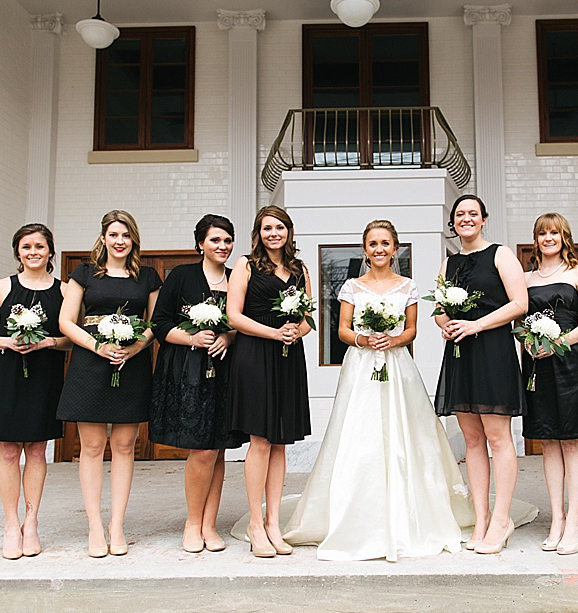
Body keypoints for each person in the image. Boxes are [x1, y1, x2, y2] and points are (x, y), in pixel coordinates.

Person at [283, 220, 473, 561]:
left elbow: (412, 329)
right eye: (373, 244)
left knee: (406, 435)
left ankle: (411, 512)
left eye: (385, 243)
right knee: (360, 434)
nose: (379, 249)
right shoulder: (352, 287)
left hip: (398, 367)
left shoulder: (408, 286)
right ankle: (354, 516)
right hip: (360, 367)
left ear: (395, 248)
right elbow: (341, 330)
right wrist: (364, 339)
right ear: (365, 249)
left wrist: (393, 338)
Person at [57, 210, 161, 558]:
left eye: (126, 235)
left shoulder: (147, 277)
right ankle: (94, 526)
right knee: (90, 447)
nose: (120, 241)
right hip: (90, 363)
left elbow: (154, 323)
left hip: (131, 365)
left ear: (133, 240)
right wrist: (98, 346)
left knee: (124, 445)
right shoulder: (84, 273)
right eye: (114, 234)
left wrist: (133, 348)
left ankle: (117, 524)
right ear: (103, 238)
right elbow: (66, 321)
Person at [434, 194, 528, 554]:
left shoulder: (501, 254)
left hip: (492, 351)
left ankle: (502, 520)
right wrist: (447, 324)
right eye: (460, 215)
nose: (466, 219)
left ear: (483, 219)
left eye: (473, 213)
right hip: (461, 353)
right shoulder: (448, 263)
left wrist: (475, 325)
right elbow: (440, 309)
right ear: (453, 223)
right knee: (472, 440)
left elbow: (519, 304)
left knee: (497, 436)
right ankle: (482, 518)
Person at [149, 214, 246, 553]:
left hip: (227, 372)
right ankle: (192, 523)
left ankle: (209, 523)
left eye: (228, 240)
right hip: (187, 371)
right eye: (216, 240)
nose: (223, 246)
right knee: (201, 449)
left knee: (218, 448)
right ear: (201, 243)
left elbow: (245, 323)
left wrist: (229, 337)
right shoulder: (181, 277)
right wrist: (193, 338)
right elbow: (159, 323)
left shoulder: (237, 278)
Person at [0, 224, 71, 559]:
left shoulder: (64, 290)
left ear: (50, 252)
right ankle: (10, 523)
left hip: (44, 374)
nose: (33, 252)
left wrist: (48, 341)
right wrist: (5, 341)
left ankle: (31, 522)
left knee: (36, 450)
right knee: (8, 452)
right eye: (26, 246)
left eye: (40, 246)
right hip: (7, 372)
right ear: (18, 252)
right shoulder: (0, 287)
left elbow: (71, 338)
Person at [226, 205, 312, 558]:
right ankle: (255, 523)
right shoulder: (246, 266)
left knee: (280, 441)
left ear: (289, 231)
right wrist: (273, 333)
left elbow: (308, 318)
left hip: (288, 357)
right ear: (258, 233)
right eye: (266, 228)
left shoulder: (299, 269)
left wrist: (295, 331)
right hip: (254, 355)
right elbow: (233, 315)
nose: (273, 233)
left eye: (279, 227)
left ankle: (275, 522)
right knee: (260, 440)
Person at [520, 213, 578, 555]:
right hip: (537, 363)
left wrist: (560, 341)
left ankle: (575, 519)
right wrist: (527, 342)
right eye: (542, 233)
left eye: (554, 232)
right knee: (548, 442)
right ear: (535, 239)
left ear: (564, 237)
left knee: (570, 442)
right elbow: (519, 319)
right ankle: (557, 517)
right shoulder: (524, 277)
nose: (548, 238)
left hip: (570, 361)